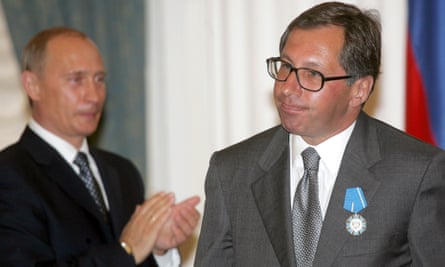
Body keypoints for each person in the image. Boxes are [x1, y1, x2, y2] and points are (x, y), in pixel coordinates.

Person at [195, 2, 445, 266]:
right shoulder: (231, 172)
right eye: (286, 67)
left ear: (359, 89)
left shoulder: (416, 174)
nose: (287, 88)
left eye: (312, 74)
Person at [0, 26, 200, 266]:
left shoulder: (122, 172)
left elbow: (131, 258)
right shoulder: (9, 175)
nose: (93, 96)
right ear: (32, 85)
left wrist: (157, 249)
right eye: (76, 80)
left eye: (99, 80)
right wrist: (126, 249)